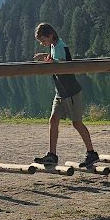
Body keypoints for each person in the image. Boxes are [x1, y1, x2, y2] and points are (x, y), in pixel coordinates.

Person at [31, 22, 100, 168]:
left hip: (71, 92)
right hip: (60, 93)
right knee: (53, 120)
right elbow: (54, 58)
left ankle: (91, 153)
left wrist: (52, 62)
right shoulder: (53, 45)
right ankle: (52, 155)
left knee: (77, 123)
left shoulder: (61, 46)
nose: (43, 43)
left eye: (43, 40)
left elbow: (64, 64)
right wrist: (44, 56)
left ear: (50, 35)